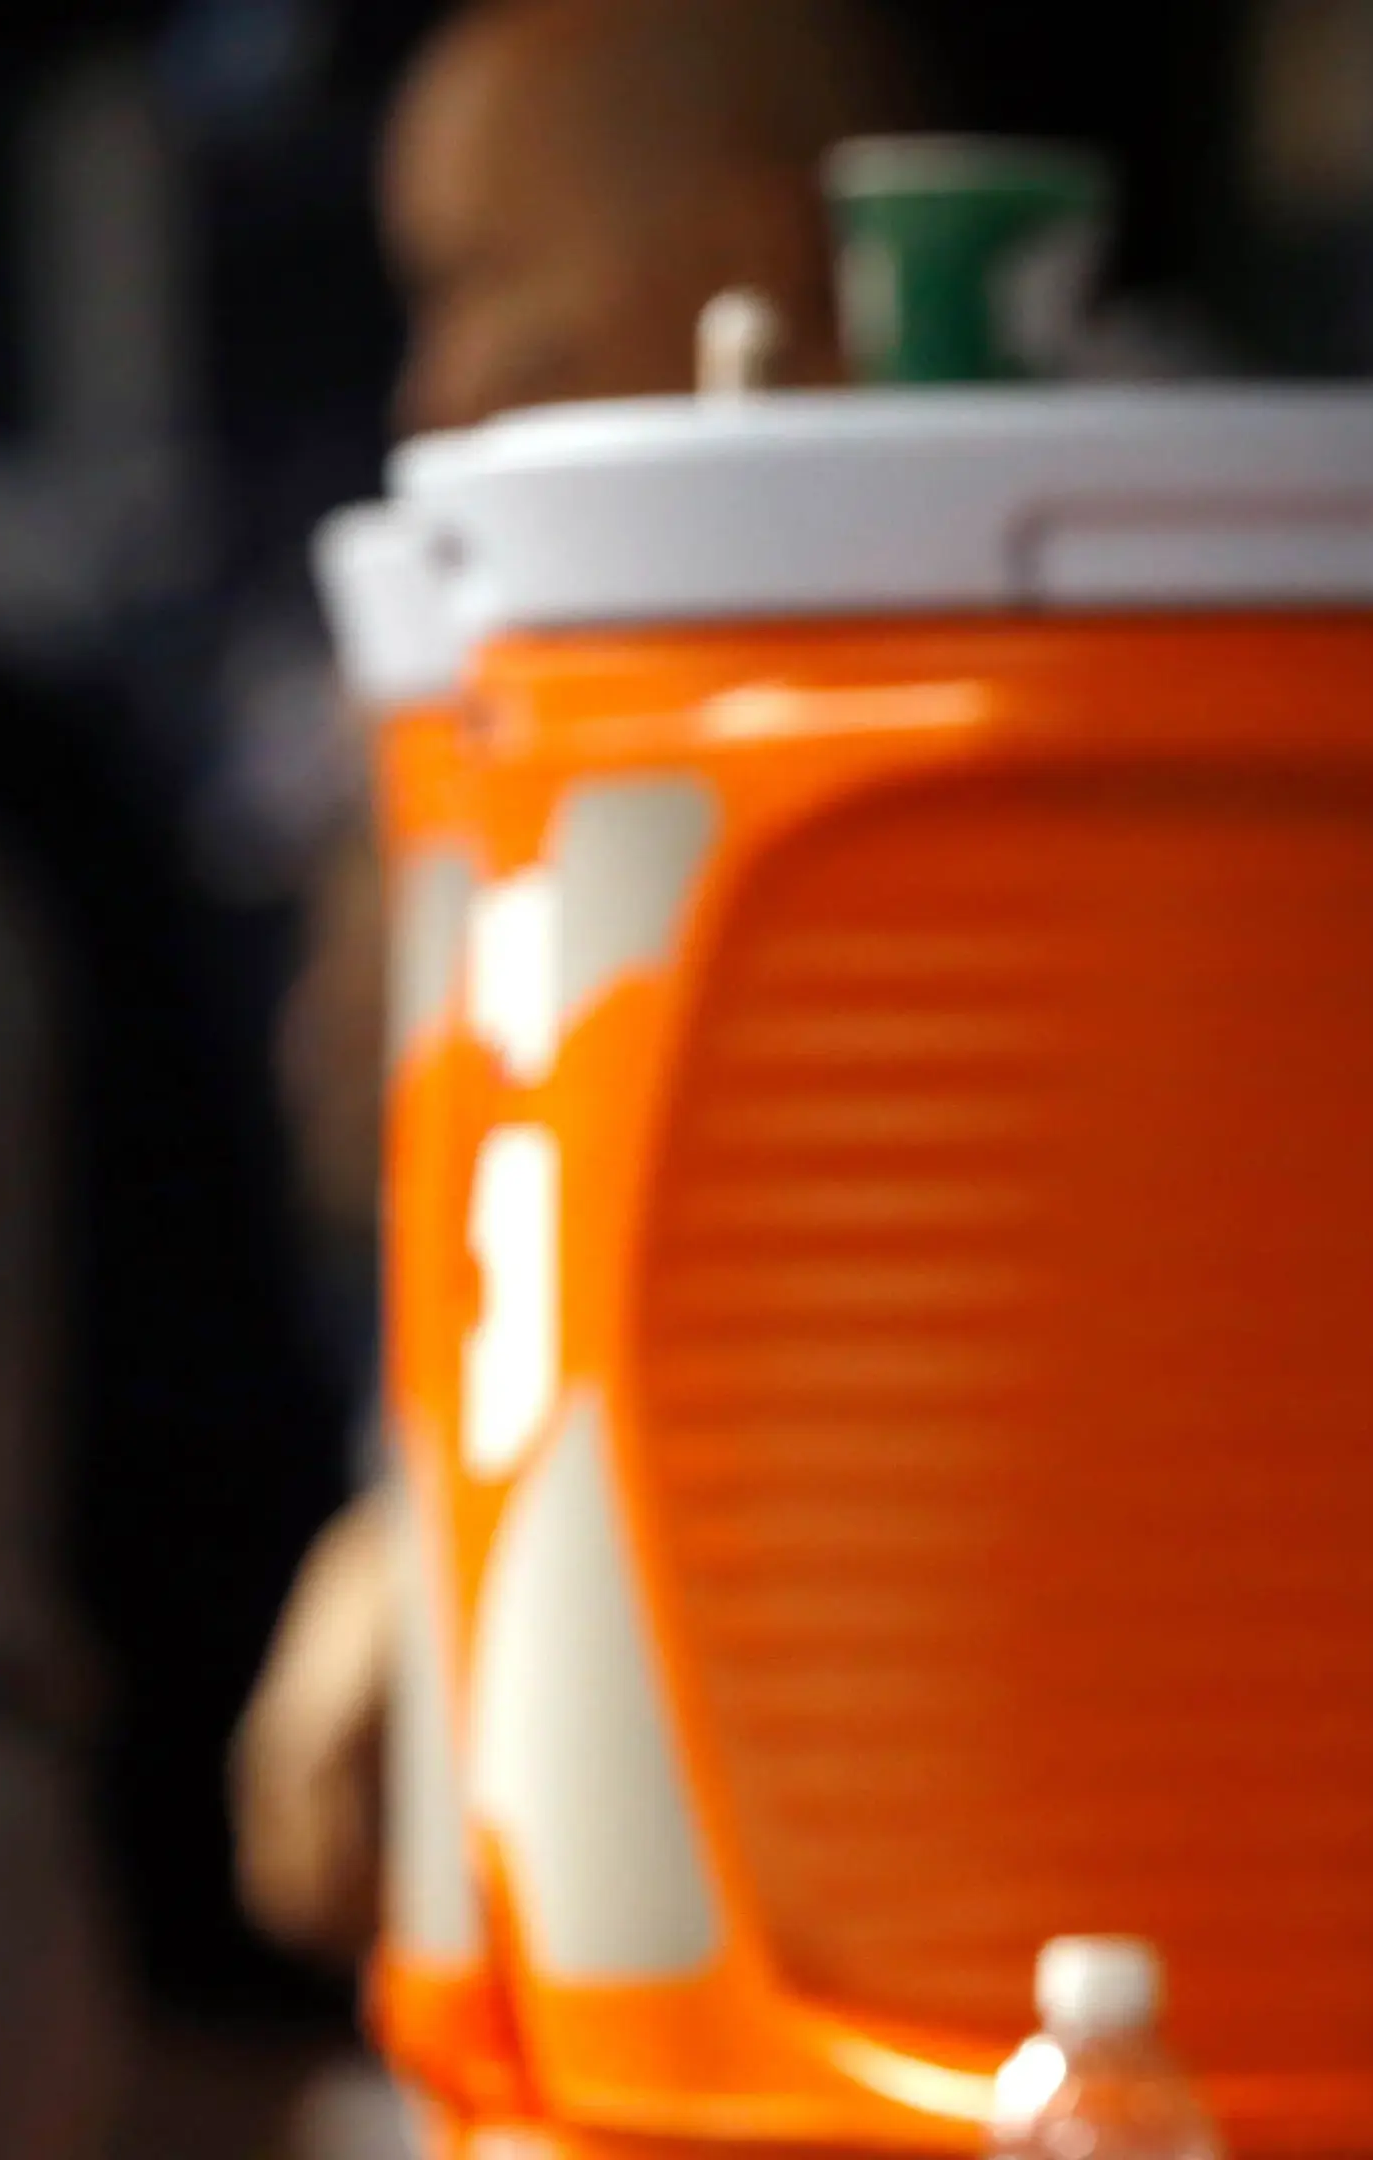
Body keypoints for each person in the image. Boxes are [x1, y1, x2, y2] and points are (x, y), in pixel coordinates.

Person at [231, 0, 930, 1965]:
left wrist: (429, 1529)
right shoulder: (539, 744)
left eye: (480, 287)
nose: (430, 398)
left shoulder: (1101, 685)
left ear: (747, 257)